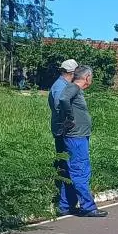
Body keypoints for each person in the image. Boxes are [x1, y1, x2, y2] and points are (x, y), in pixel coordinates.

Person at [55, 65, 107, 217]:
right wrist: (70, 117)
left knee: (71, 170)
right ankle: (88, 207)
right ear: (87, 77)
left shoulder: (75, 89)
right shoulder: (74, 88)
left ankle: (66, 205)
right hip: (76, 137)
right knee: (80, 170)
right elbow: (63, 99)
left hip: (78, 136)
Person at [49, 59, 78, 214]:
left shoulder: (62, 85)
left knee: (65, 163)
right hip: (63, 131)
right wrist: (70, 120)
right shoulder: (61, 87)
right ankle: (65, 201)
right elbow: (60, 106)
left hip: (62, 129)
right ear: (72, 73)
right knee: (65, 164)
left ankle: (67, 200)